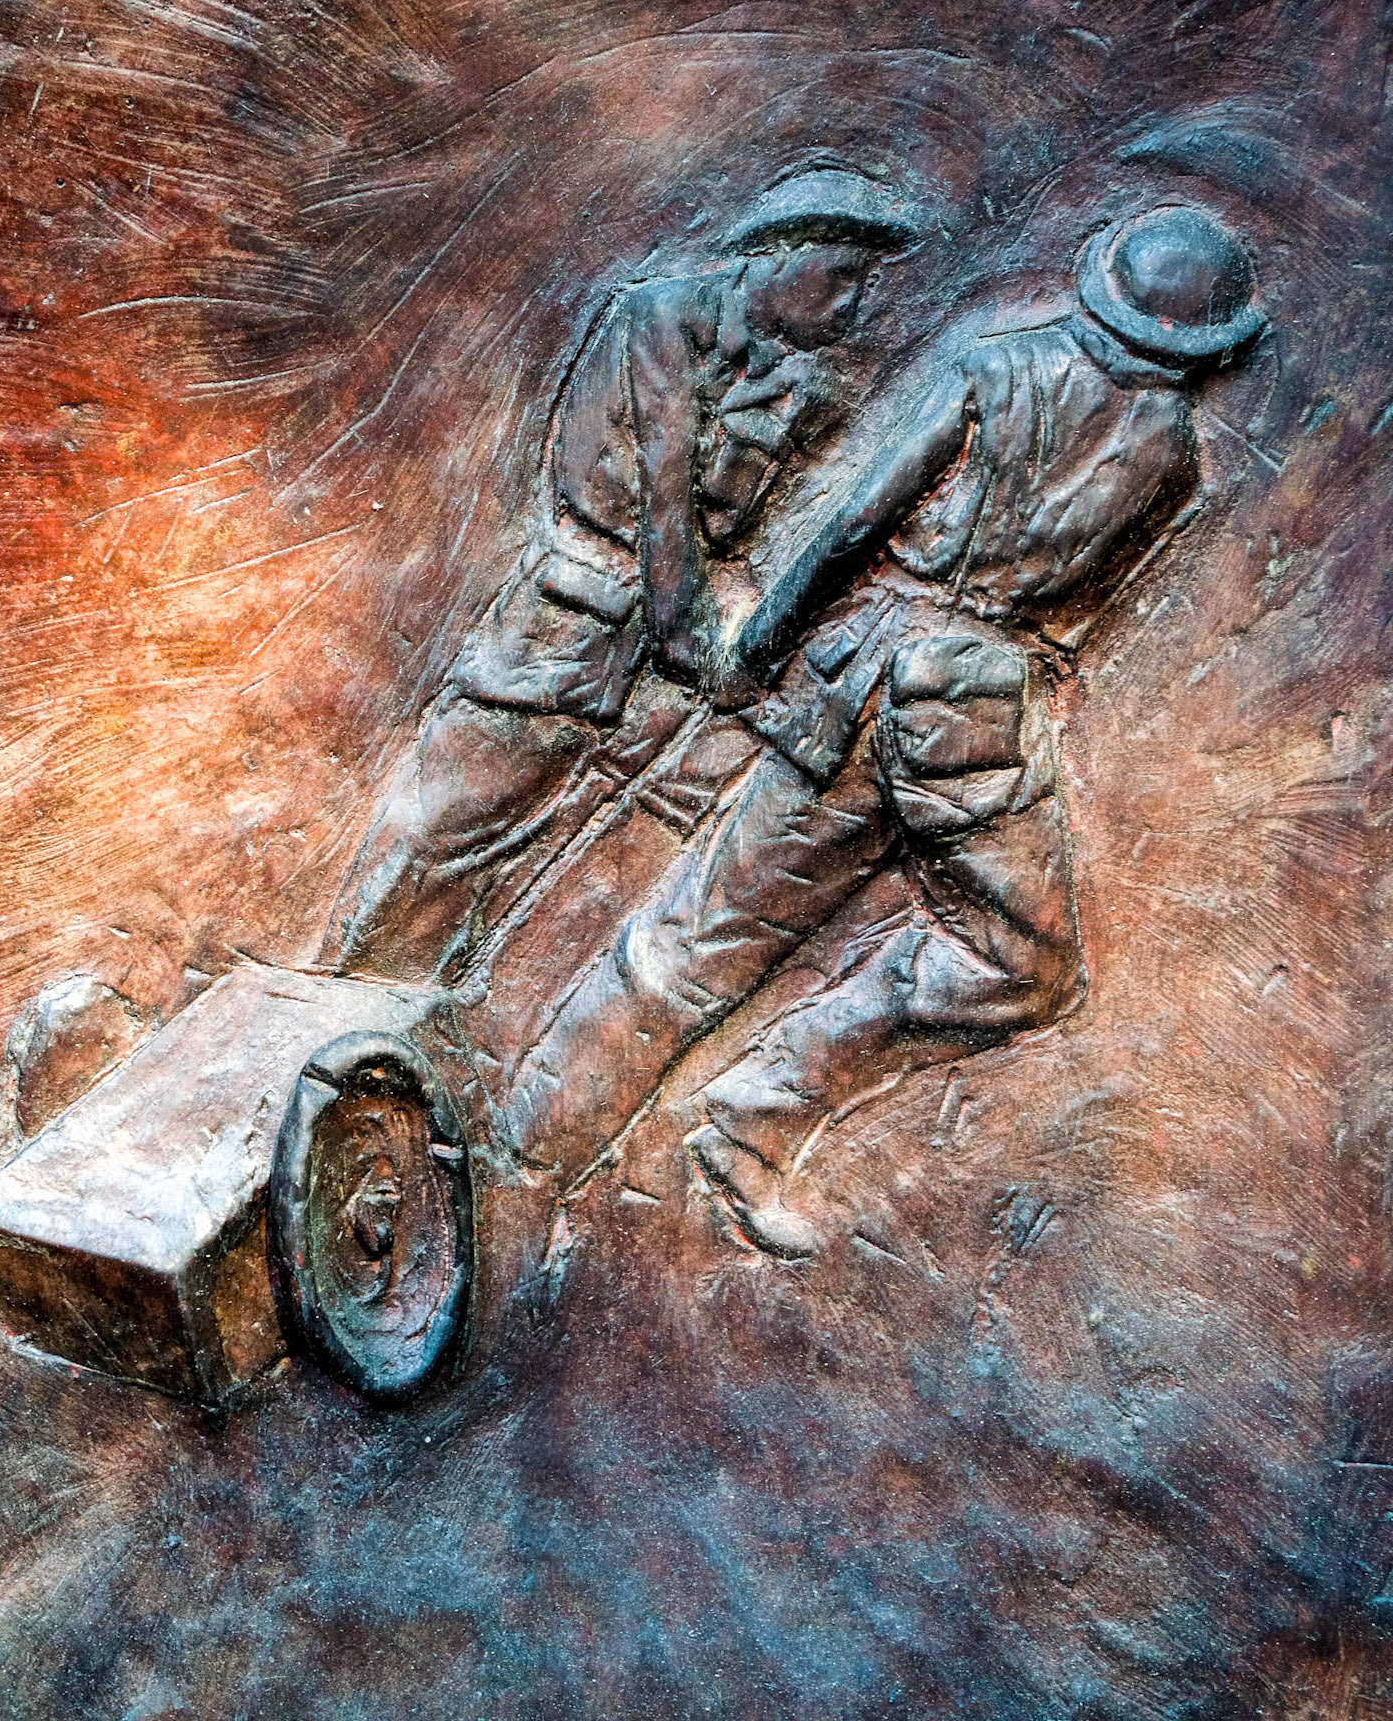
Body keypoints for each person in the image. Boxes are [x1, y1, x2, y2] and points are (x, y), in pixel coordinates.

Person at [502, 202, 1268, 1256]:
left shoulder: (997, 372)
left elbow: (860, 521)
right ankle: (616, 1137)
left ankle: (624, 1134)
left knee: (705, 935)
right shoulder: (1174, 453)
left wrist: (760, 645)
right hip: (974, 714)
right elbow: (1070, 622)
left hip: (873, 685)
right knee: (1023, 957)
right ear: (1205, 343)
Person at [324, 162, 925, 982]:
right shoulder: (662, 319)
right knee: (449, 814)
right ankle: (342, 977)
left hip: (656, 647)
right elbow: (665, 499)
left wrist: (745, 642)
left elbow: (738, 540)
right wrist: (701, 653)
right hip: (569, 615)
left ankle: (421, 988)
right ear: (784, 253)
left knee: (537, 835)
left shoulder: (800, 386)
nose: (854, 304)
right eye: (845, 275)